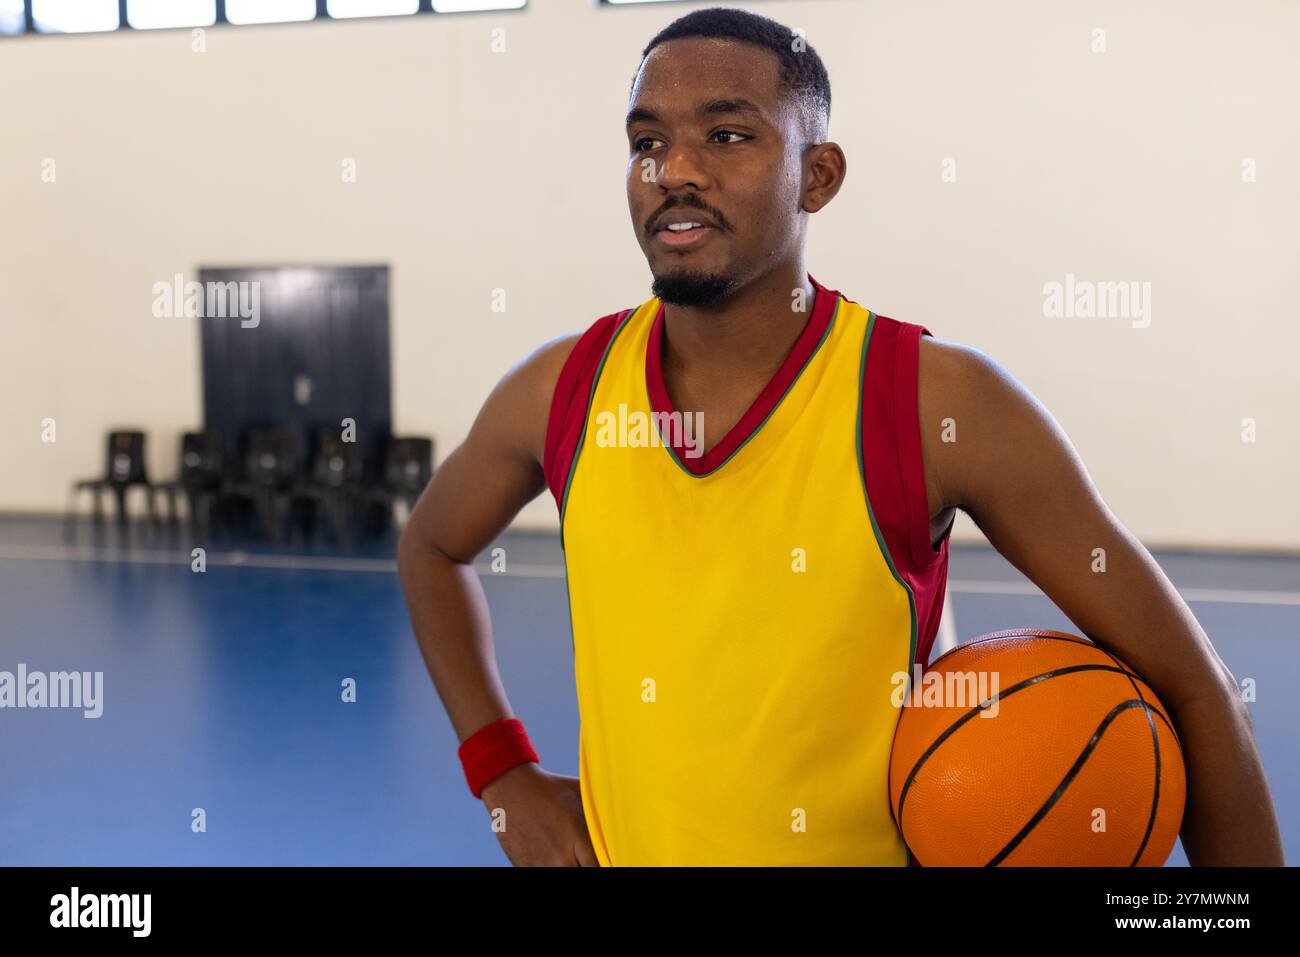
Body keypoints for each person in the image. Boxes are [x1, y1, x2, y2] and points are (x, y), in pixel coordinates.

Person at [397, 6, 1282, 866]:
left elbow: (1199, 693)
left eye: (728, 136)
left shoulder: (935, 400)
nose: (673, 170)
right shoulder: (563, 388)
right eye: (646, 142)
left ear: (818, 175)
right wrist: (502, 771)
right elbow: (431, 547)